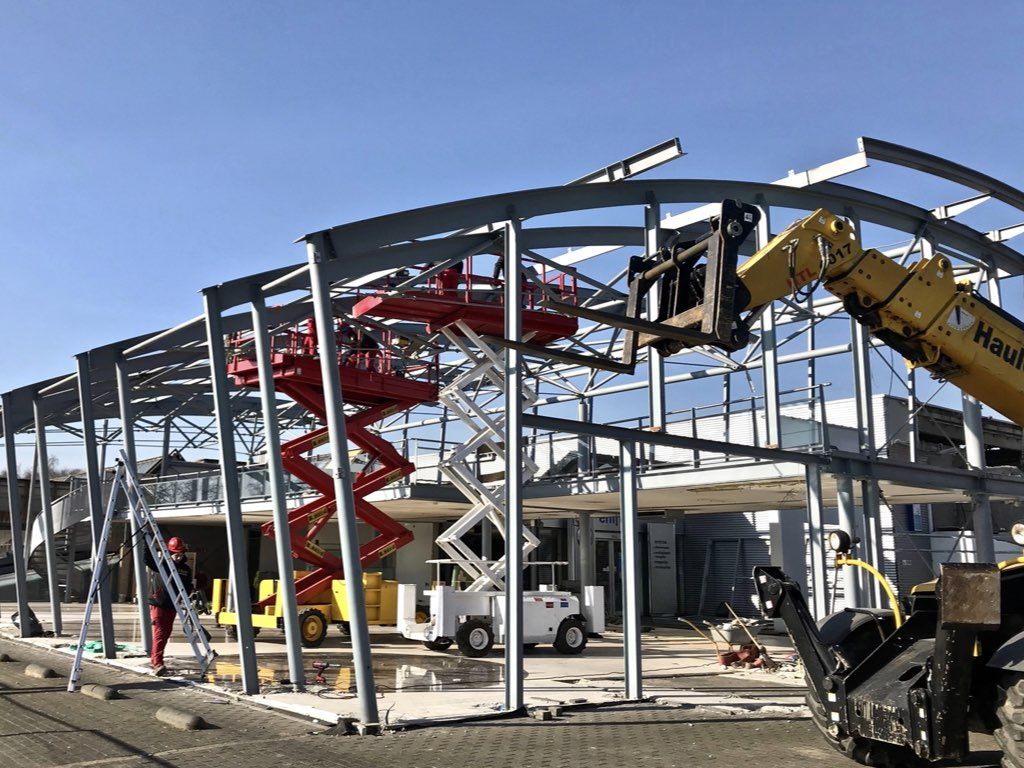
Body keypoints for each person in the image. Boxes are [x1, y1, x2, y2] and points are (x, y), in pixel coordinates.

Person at [145, 536, 193, 676]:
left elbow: (187, 586)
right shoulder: (162, 564)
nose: (177, 557)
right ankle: (157, 663)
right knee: (159, 632)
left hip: (173, 604)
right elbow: (147, 559)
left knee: (166, 634)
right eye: (175, 554)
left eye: (180, 554)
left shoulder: (185, 570)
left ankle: (158, 659)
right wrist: (145, 542)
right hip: (159, 603)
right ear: (170, 553)